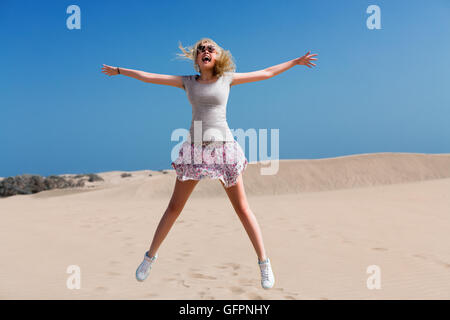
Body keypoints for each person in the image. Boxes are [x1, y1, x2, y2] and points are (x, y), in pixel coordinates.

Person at [101, 38, 317, 289]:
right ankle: (149, 257)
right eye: (201, 49)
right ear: (196, 58)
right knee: (174, 208)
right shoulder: (187, 81)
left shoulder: (228, 78)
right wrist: (119, 71)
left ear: (218, 56)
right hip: (195, 152)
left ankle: (264, 263)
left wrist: (296, 62)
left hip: (224, 150)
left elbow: (266, 73)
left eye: (210, 48)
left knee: (242, 209)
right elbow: (149, 76)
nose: (205, 51)